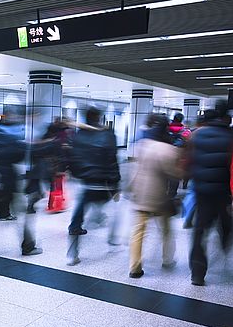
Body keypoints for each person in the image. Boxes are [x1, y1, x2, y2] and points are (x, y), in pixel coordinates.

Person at [187, 101, 233, 286]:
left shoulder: (197, 135)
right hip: (223, 193)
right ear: (228, 116)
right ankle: (224, 247)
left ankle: (197, 273)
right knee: (227, 225)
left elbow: (188, 161)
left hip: (202, 192)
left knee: (200, 230)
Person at [127, 114, 182, 278]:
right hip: (160, 197)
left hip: (141, 196)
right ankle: (167, 259)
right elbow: (175, 174)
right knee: (166, 230)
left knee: (138, 232)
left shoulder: (141, 145)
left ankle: (135, 268)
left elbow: (133, 169)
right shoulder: (168, 149)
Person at [66, 108, 121, 265]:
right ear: (100, 118)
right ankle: (112, 241)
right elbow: (112, 161)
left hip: (85, 184)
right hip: (103, 184)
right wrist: (115, 185)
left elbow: (72, 159)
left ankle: (72, 255)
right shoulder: (108, 135)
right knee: (113, 212)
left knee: (76, 220)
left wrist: (77, 174)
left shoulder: (78, 136)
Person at [0, 111, 41, 256]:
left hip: (2, 178)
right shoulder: (14, 133)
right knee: (23, 214)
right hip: (14, 180)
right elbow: (19, 155)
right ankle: (28, 246)